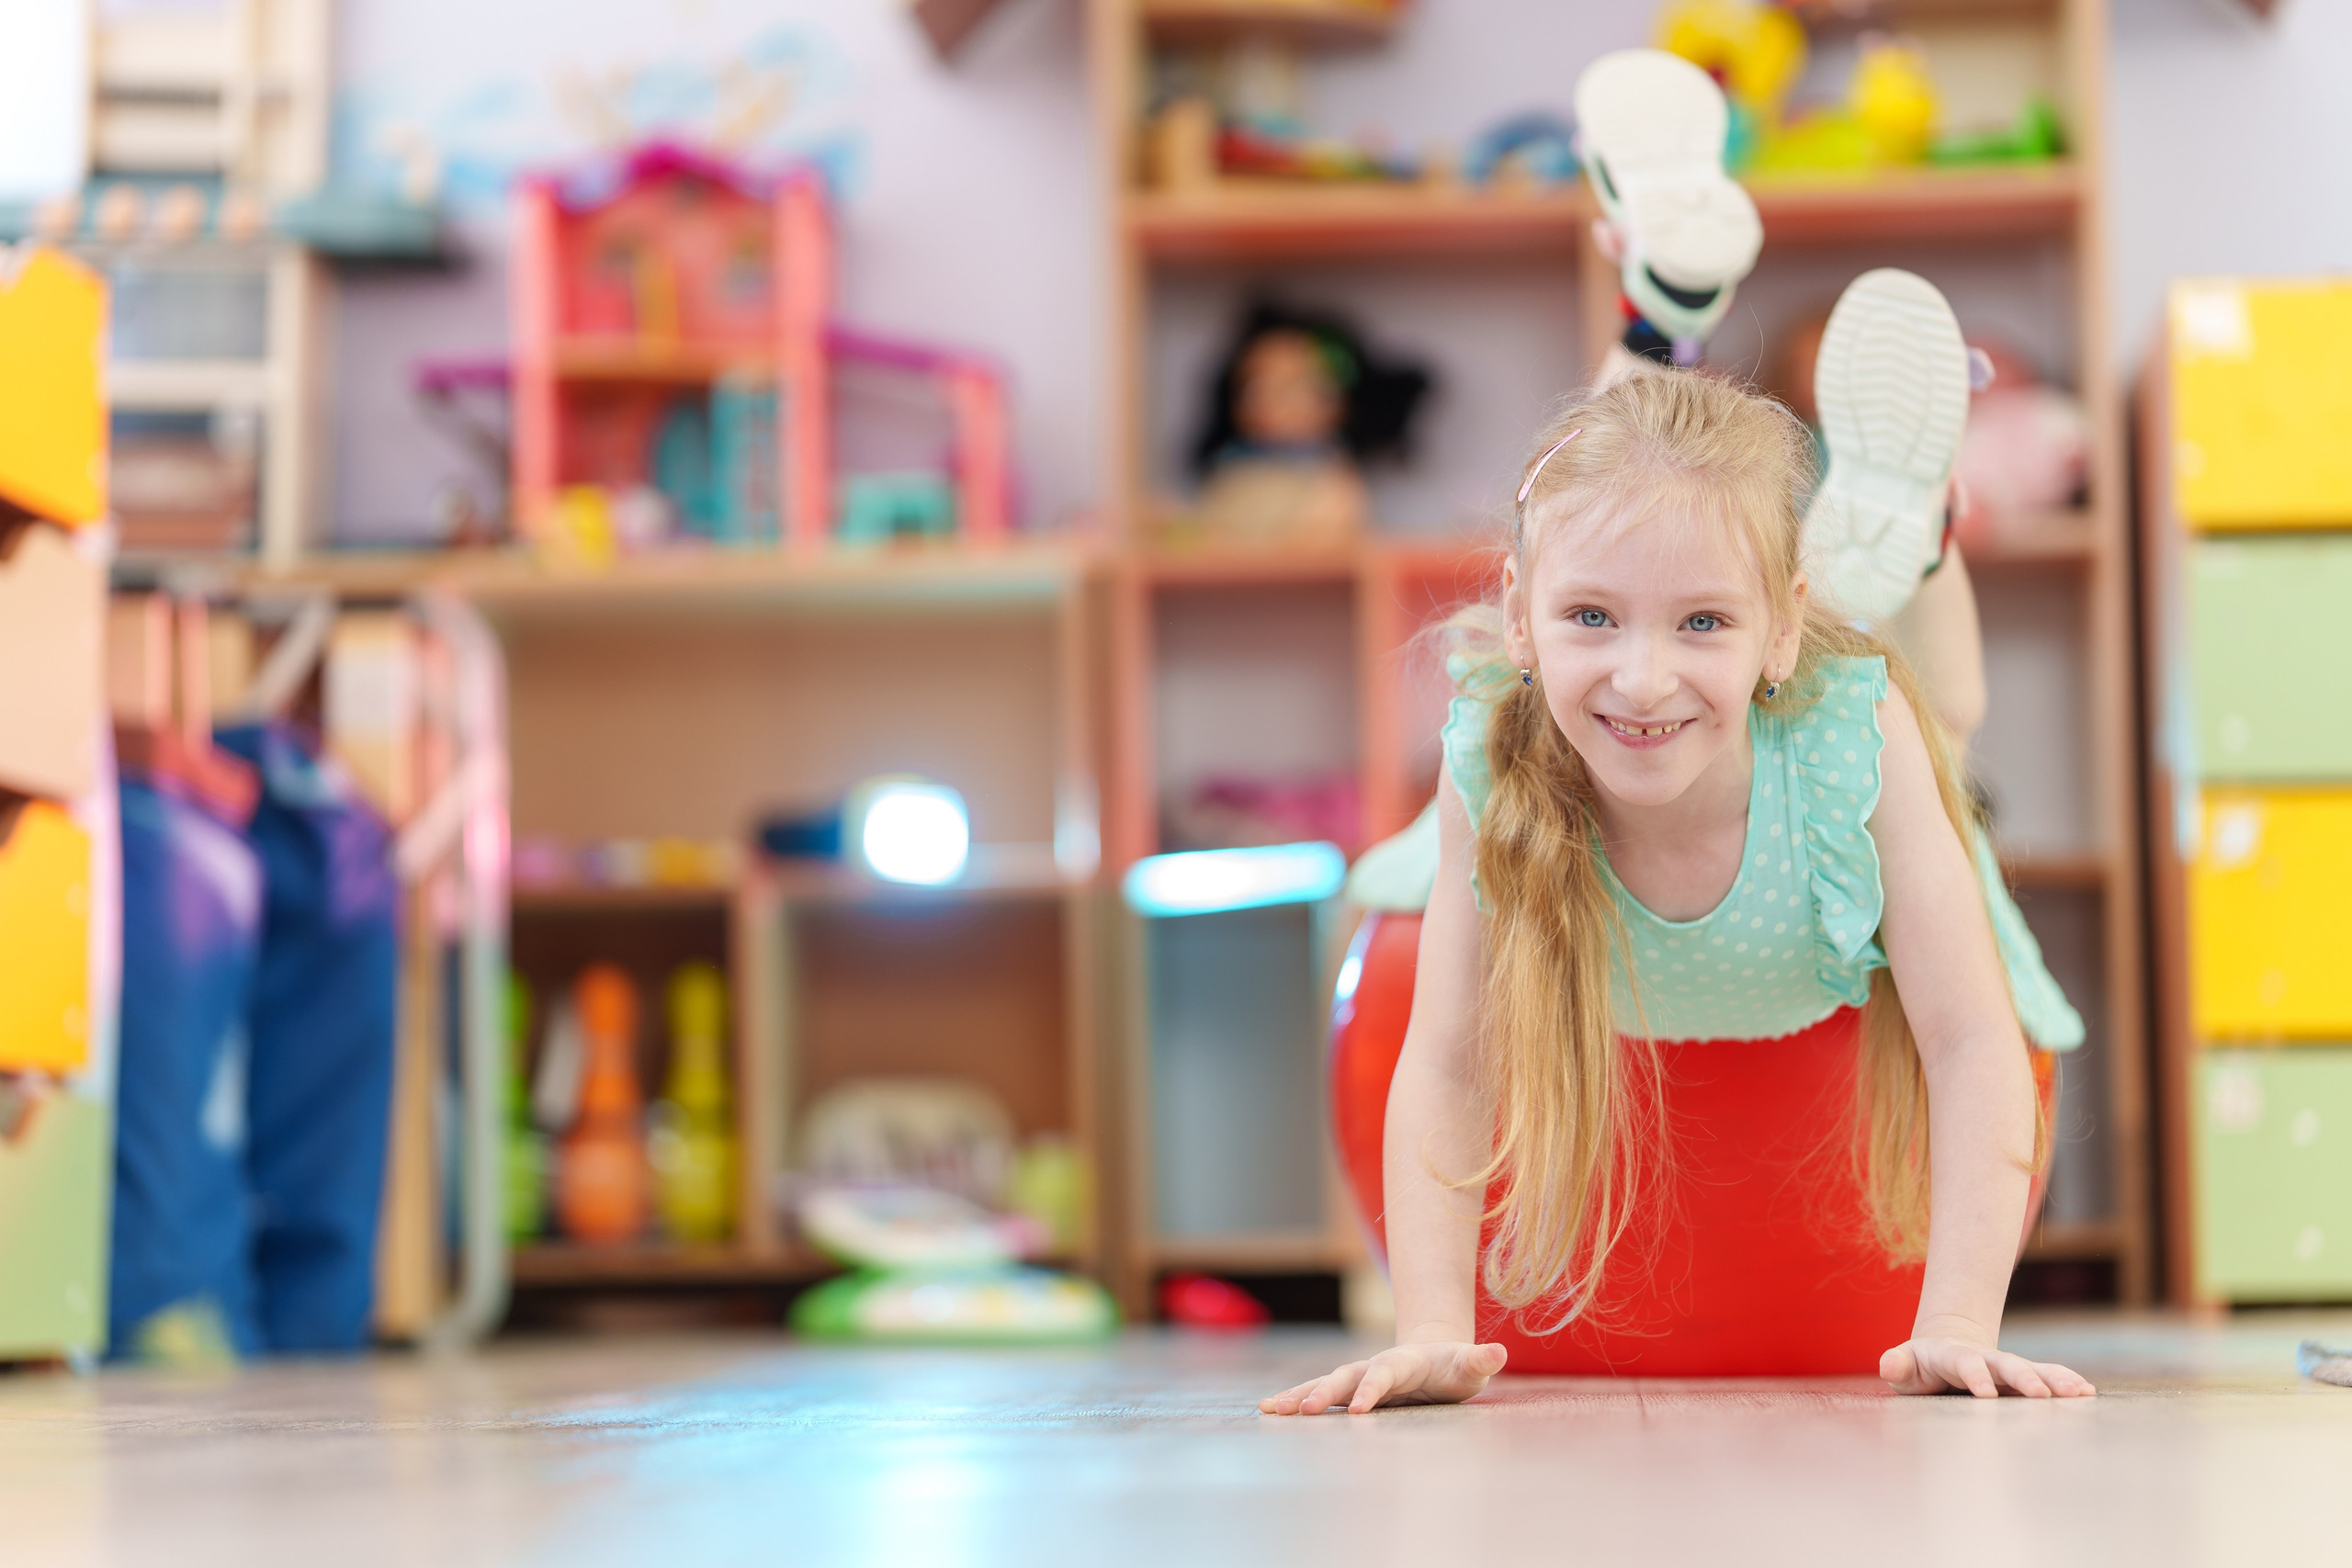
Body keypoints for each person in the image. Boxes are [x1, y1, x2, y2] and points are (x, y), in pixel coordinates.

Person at [1265, 368, 2091, 1415]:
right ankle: (1652, 330)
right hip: (1576, 874)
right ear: (1518, 618)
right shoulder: (1488, 752)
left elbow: (1974, 1042)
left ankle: (1923, 553)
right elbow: (1445, 1062)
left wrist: (1959, 1327)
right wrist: (1430, 1330)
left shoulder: (1852, 742)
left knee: (1949, 734)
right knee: (1388, 881)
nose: (1643, 679)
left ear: (1783, 629)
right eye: (1591, 617)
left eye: (1701, 623)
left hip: (1825, 899)